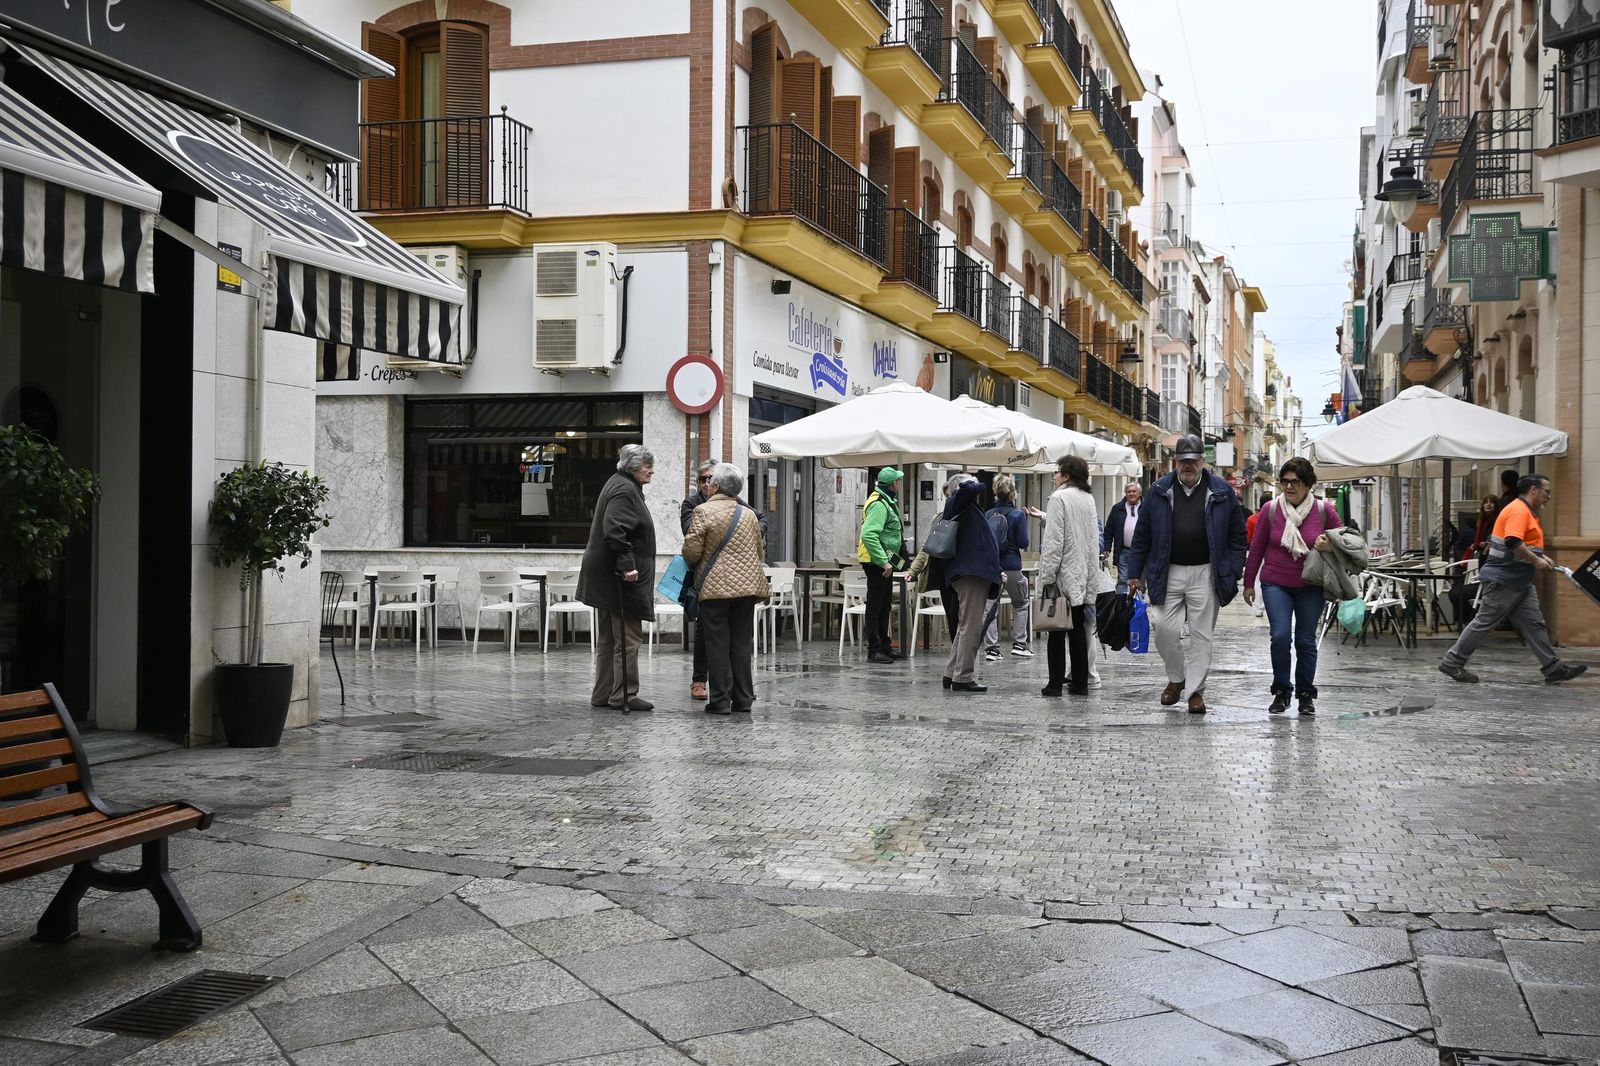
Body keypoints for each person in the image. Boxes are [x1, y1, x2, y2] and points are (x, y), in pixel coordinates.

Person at [1123, 433, 1247, 715]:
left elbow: (1237, 535)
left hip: (1206, 571)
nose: (1188, 466)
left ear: (1203, 461)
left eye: (1193, 460)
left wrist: (1233, 568)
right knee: (1164, 629)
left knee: (1202, 635)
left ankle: (1195, 693)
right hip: (1167, 570)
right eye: (1183, 461)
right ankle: (1177, 679)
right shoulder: (1158, 490)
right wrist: (1134, 573)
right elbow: (1142, 536)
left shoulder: (1221, 491)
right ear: (1176, 462)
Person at [1439, 474, 1588, 685]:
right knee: (1484, 622)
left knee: (1534, 624)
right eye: (1547, 491)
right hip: (1504, 580)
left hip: (1519, 581)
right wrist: (1536, 562)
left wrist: (1541, 556)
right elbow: (1512, 542)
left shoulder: (1527, 511)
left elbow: (1524, 544)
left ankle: (1553, 668)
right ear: (1533, 490)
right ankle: (1452, 662)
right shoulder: (1518, 511)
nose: (1549, 497)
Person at [1243, 458, 1342, 715]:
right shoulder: (1271, 509)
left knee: (1306, 641)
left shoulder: (1324, 511)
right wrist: (1249, 582)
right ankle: (1281, 692)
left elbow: (1344, 543)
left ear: (1308, 484)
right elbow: (1257, 547)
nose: (1288, 487)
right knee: (1280, 636)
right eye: (1284, 481)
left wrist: (1327, 545)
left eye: (1295, 482)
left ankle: (1306, 694)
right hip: (1276, 582)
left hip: (1311, 584)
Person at [682, 464, 770, 715]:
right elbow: (758, 550)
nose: (707, 485)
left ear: (717, 486)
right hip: (747, 587)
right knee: (741, 643)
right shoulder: (749, 514)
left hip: (715, 588)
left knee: (717, 643)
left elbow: (691, 551)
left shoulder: (702, 511)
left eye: (710, 482)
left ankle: (720, 701)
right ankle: (743, 699)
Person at [578, 444, 658, 713]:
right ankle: (625, 694)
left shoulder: (619, 483)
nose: (652, 471)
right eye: (648, 466)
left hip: (605, 575)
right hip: (619, 578)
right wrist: (627, 566)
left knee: (610, 638)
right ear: (634, 467)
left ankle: (603, 694)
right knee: (628, 638)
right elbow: (615, 530)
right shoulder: (625, 489)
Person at [1038, 456, 1101, 696]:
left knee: (1055, 630)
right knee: (1076, 630)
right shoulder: (1088, 498)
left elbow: (1054, 540)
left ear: (1066, 474)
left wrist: (1047, 576)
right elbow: (1091, 539)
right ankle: (1080, 683)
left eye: (1057, 472)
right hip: (1083, 573)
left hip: (1063, 574)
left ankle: (1054, 684)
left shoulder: (1059, 498)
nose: (1054, 476)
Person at [941, 477, 1002, 692]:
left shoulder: (964, 506)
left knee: (965, 626)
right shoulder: (959, 500)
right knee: (971, 627)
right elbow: (974, 487)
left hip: (971, 573)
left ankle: (952, 673)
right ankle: (964, 677)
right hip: (970, 573)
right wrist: (971, 483)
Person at [907, 474, 972, 651]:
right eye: (947, 496)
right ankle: (957, 655)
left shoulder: (972, 516)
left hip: (966, 575)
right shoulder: (940, 517)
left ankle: (963, 657)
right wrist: (914, 570)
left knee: (963, 618)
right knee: (952, 616)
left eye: (950, 495)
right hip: (945, 575)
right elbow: (928, 546)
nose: (948, 500)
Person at [982, 474, 1038, 661]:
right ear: (1013, 494)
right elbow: (1023, 542)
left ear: (996, 494)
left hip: (991, 567)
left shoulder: (988, 514)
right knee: (1021, 603)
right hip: (1012, 566)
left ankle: (992, 649)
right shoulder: (1018, 515)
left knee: (990, 607)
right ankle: (1019, 644)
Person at [857, 467, 906, 664]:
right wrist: (883, 561)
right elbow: (869, 534)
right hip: (875, 561)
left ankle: (884, 646)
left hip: (883, 559)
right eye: (898, 481)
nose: (900, 485)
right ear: (892, 484)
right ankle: (874, 650)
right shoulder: (878, 504)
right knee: (876, 605)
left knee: (884, 605)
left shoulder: (886, 501)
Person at [680, 460, 719, 702]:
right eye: (703, 479)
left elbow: (759, 519)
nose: (707, 483)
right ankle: (699, 681)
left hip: (728, 576)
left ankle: (730, 682)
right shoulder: (691, 504)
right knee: (703, 629)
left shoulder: (734, 502)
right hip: (702, 575)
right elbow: (690, 533)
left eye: (711, 478)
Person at [1101, 481, 1142, 593]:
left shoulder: (1147, 507)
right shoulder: (1117, 508)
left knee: (1139, 581)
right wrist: (1107, 547)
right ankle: (1121, 606)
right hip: (1123, 550)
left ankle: (1137, 606)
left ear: (1139, 493)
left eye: (1134, 491)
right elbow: (1109, 529)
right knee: (1123, 579)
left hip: (1142, 552)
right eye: (1129, 491)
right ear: (1125, 493)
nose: (1131, 494)